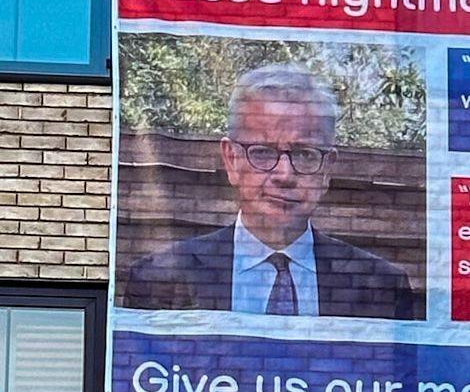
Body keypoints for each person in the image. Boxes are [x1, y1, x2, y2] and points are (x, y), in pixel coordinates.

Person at [120, 64, 418, 320]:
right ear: (231, 159)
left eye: (304, 154)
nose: (284, 175)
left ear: (327, 168)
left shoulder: (383, 288)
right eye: (262, 152)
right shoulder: (158, 280)